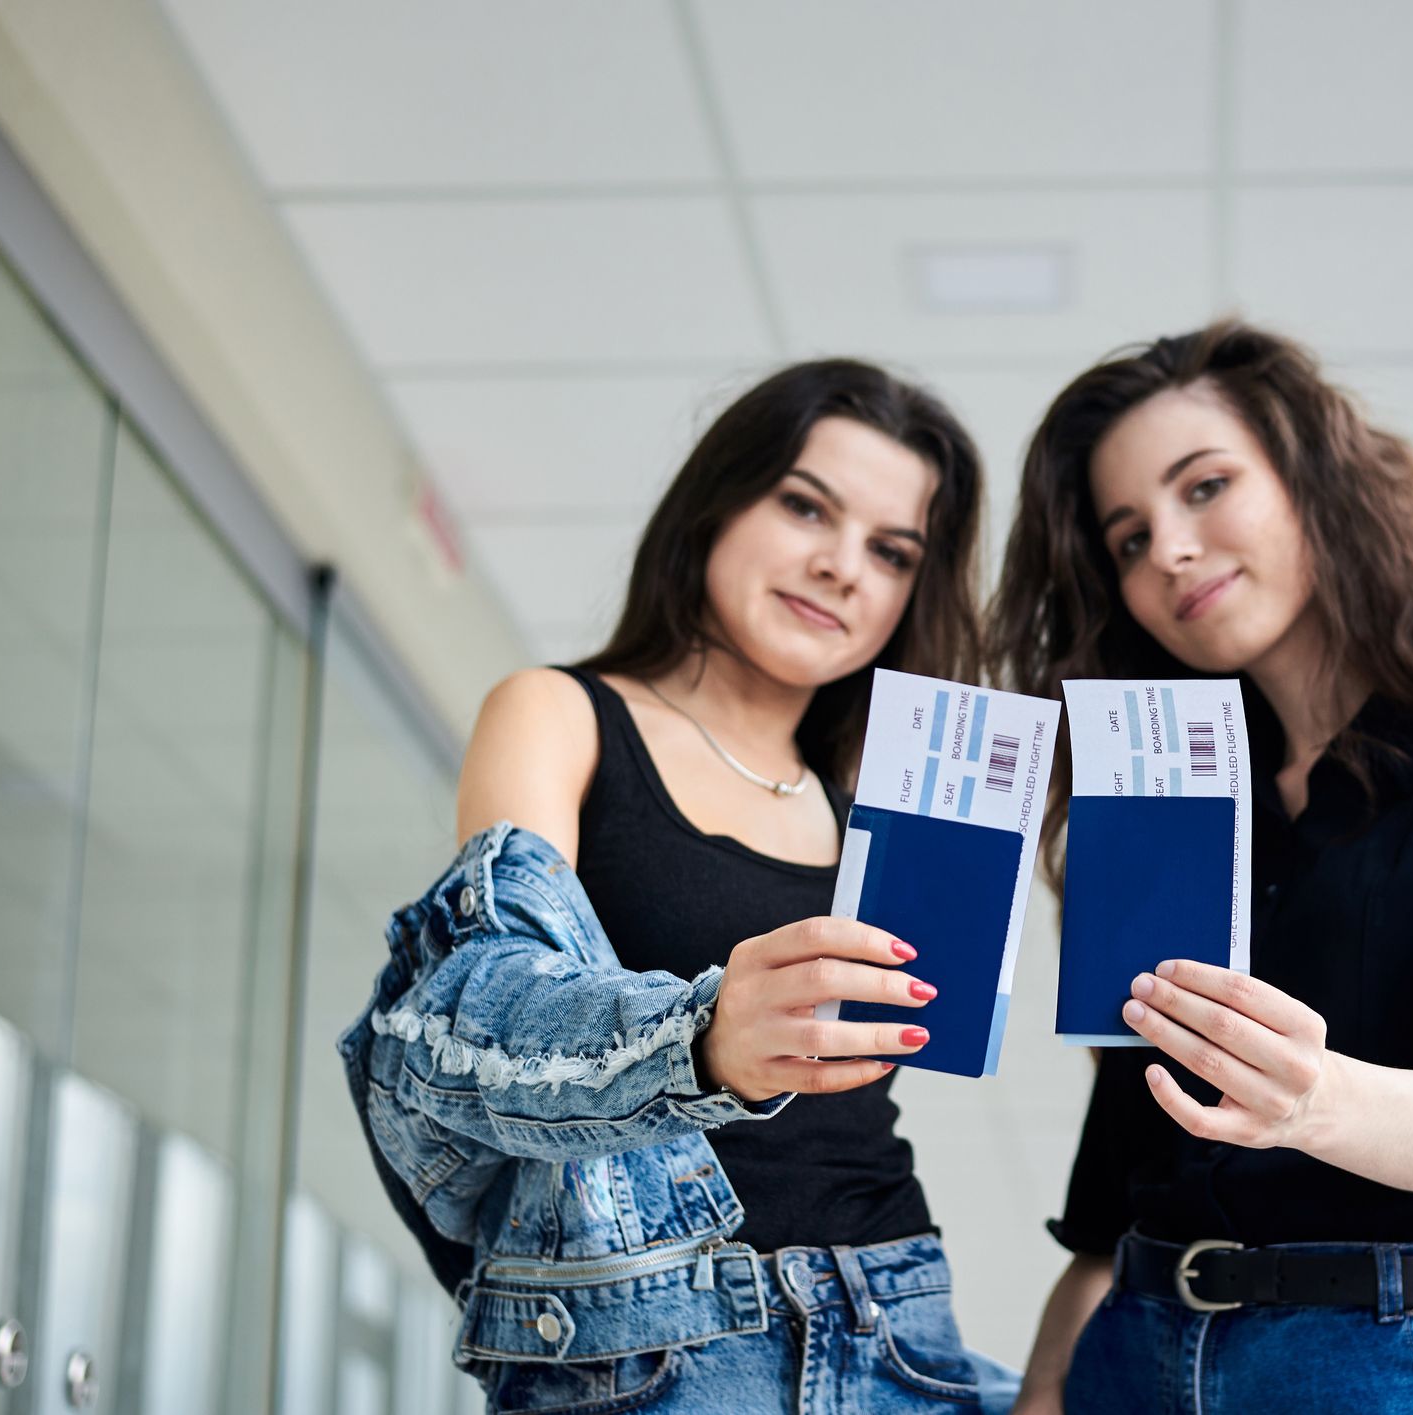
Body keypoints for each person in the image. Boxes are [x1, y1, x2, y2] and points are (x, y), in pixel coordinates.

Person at [987, 321, 1413, 1413]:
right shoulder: (1169, 804)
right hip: (1133, 1352)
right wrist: (1041, 1398)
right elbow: (1120, 1191)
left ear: (1316, 481)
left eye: (1204, 486)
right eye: (1128, 538)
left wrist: (1313, 1099)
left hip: (1385, 1361)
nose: (1167, 547)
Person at [342, 359, 1018, 1413]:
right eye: (806, 506)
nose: (843, 567)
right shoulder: (562, 715)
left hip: (899, 1326)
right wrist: (698, 1036)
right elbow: (476, 997)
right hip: (651, 1343)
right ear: (718, 501)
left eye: (892, 552)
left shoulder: (881, 805)